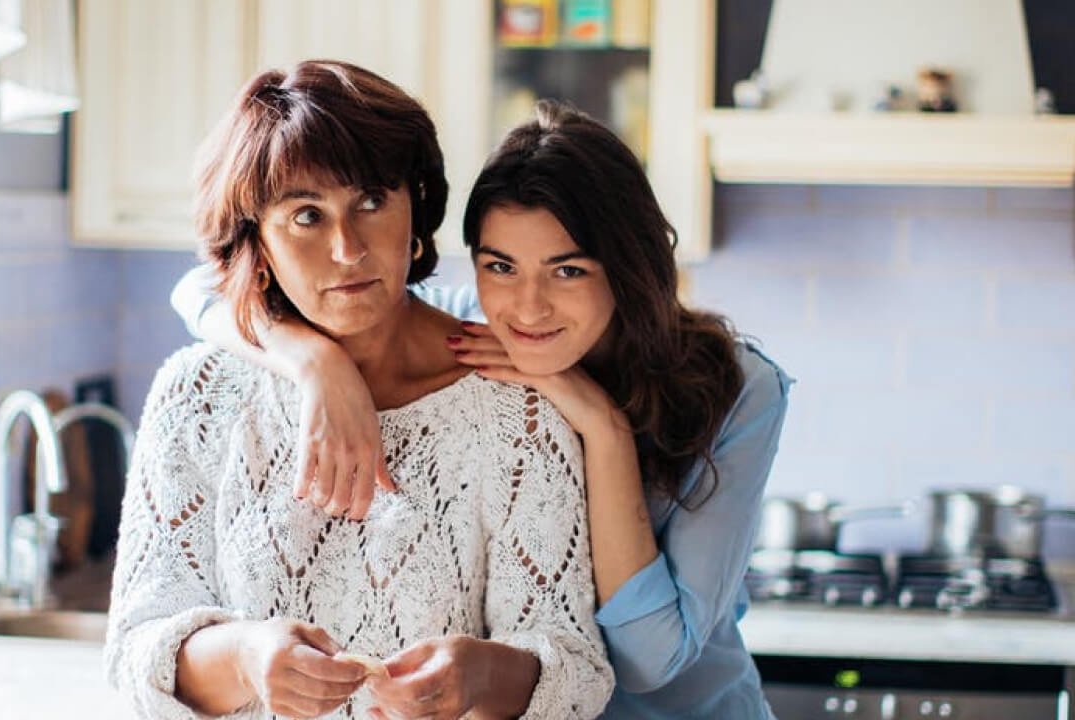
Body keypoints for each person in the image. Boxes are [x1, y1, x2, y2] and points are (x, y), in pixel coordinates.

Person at [173, 100, 792, 718]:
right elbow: (200, 288)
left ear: (629, 268)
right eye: (499, 265)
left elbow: (647, 659)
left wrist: (602, 427)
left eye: (568, 270)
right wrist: (315, 364)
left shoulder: (737, 387)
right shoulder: (469, 326)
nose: (528, 308)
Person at [106, 61, 613, 720]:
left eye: (371, 201)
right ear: (256, 235)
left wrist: (481, 677)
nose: (347, 248)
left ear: (417, 207)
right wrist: (244, 658)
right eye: (306, 215)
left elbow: (577, 667)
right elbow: (133, 657)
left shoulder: (516, 405)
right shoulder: (197, 396)